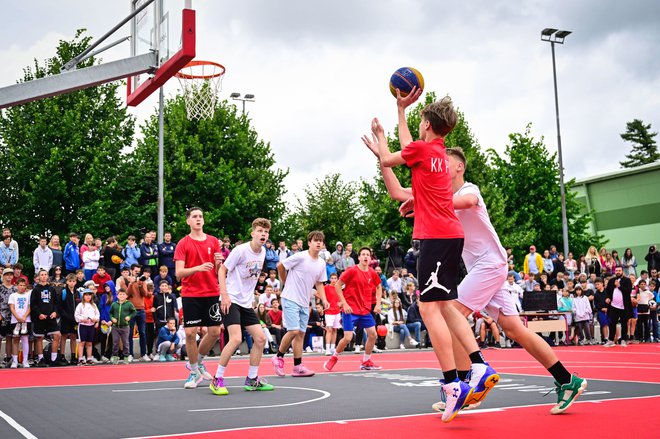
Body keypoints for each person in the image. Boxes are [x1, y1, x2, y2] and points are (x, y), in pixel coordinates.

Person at [365, 136, 586, 415]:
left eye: (444, 162)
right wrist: (382, 159)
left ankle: (463, 385)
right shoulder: (436, 191)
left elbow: (467, 202)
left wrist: (427, 197)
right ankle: (567, 380)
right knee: (514, 328)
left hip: (490, 265)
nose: (438, 166)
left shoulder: (470, 189)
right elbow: (397, 191)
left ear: (458, 167)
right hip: (486, 269)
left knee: (450, 312)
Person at [362, 96, 495, 423]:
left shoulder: (423, 151)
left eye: (419, 121)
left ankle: (452, 383)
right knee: (447, 304)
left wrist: (381, 135)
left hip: (435, 237)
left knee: (427, 307)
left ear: (427, 124)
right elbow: (406, 149)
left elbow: (393, 156)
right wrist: (401, 111)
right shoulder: (434, 152)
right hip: (452, 236)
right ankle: (477, 364)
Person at [213, 217, 274, 395]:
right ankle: (217, 379)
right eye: (260, 231)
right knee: (236, 339)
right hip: (230, 299)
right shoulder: (240, 250)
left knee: (261, 339)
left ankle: (252, 379)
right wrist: (224, 295)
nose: (263, 234)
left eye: (266, 232)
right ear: (252, 233)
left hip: (246, 302)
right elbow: (222, 270)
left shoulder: (262, 252)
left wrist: (251, 299)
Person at [173, 207, 224, 388]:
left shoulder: (213, 241)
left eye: (201, 216)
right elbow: (179, 273)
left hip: (211, 291)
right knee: (189, 333)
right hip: (191, 293)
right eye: (194, 216)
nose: (198, 219)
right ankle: (194, 373)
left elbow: (218, 272)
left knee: (215, 332)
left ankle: (198, 361)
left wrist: (219, 263)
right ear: (188, 221)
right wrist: (198, 268)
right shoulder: (183, 243)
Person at [271, 231, 329, 377]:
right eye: (315, 240)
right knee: (294, 330)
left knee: (301, 334)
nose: (318, 243)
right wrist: (285, 282)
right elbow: (280, 265)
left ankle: (297, 367)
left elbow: (320, 283)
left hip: (304, 301)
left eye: (320, 241)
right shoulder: (301, 256)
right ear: (309, 242)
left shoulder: (322, 263)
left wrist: (324, 299)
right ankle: (278, 357)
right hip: (290, 297)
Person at [324, 247, 382, 373]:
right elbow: (338, 285)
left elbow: (378, 286)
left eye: (368, 255)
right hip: (350, 309)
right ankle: (334, 356)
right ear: (359, 258)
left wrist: (378, 304)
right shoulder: (352, 270)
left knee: (373, 334)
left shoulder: (372, 273)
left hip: (365, 310)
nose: (366, 257)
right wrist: (344, 304)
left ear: (370, 258)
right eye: (363, 254)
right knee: (348, 338)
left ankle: (366, 361)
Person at [31, 269, 64, 367]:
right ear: (39, 277)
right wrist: (39, 314)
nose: (44, 276)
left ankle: (53, 359)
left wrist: (55, 312)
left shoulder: (51, 289)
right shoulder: (35, 290)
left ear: (48, 276)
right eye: (42, 275)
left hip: (51, 317)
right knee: (39, 337)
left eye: (45, 274)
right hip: (40, 317)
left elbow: (55, 302)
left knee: (57, 335)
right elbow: (33, 304)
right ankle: (41, 359)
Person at [604, 266, 634, 347]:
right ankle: (611, 340)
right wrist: (607, 298)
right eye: (616, 270)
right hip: (613, 306)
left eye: (619, 270)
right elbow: (607, 291)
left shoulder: (627, 280)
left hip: (624, 306)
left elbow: (628, 291)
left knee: (624, 323)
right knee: (612, 323)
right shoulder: (611, 280)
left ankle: (623, 340)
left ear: (622, 271)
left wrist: (619, 286)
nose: (618, 272)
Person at [8, 278, 31, 368]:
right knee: (15, 340)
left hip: (26, 320)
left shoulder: (28, 295)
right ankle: (15, 361)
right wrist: (17, 317)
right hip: (15, 320)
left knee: (25, 340)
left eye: (24, 285)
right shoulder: (13, 295)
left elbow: (29, 307)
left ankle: (25, 360)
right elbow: (12, 307)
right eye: (20, 285)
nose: (22, 287)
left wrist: (24, 316)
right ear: (17, 285)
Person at [109, 288, 136, 364]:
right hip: (115, 327)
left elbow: (134, 312)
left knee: (125, 342)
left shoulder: (129, 304)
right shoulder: (114, 304)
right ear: (117, 296)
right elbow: (110, 313)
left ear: (126, 296)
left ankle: (126, 356)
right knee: (115, 342)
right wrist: (112, 318)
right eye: (120, 294)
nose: (122, 296)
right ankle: (115, 357)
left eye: (123, 294)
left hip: (125, 327)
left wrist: (129, 317)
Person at [74, 289, 100, 365]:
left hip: (91, 326)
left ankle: (89, 358)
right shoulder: (80, 305)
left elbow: (97, 314)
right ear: (83, 296)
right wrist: (82, 319)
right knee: (82, 342)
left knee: (89, 343)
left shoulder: (94, 305)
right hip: (83, 326)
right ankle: (80, 358)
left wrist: (96, 319)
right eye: (86, 295)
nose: (88, 297)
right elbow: (76, 315)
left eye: (89, 295)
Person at [58, 273, 79, 364]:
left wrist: (77, 317)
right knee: (64, 336)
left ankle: (74, 355)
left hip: (75, 319)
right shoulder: (63, 292)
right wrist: (66, 316)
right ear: (67, 282)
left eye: (73, 281)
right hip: (65, 318)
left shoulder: (78, 293)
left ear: (76, 282)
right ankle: (62, 356)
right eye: (70, 281)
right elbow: (60, 307)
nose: (72, 283)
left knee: (74, 337)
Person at [323, 272, 341, 355]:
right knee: (329, 329)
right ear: (330, 279)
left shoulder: (338, 287)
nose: (333, 280)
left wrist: (340, 304)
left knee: (335, 329)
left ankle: (333, 348)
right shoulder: (326, 287)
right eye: (332, 278)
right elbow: (317, 293)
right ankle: (327, 348)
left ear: (337, 279)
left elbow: (341, 297)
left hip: (337, 311)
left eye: (335, 278)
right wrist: (325, 301)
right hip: (329, 311)